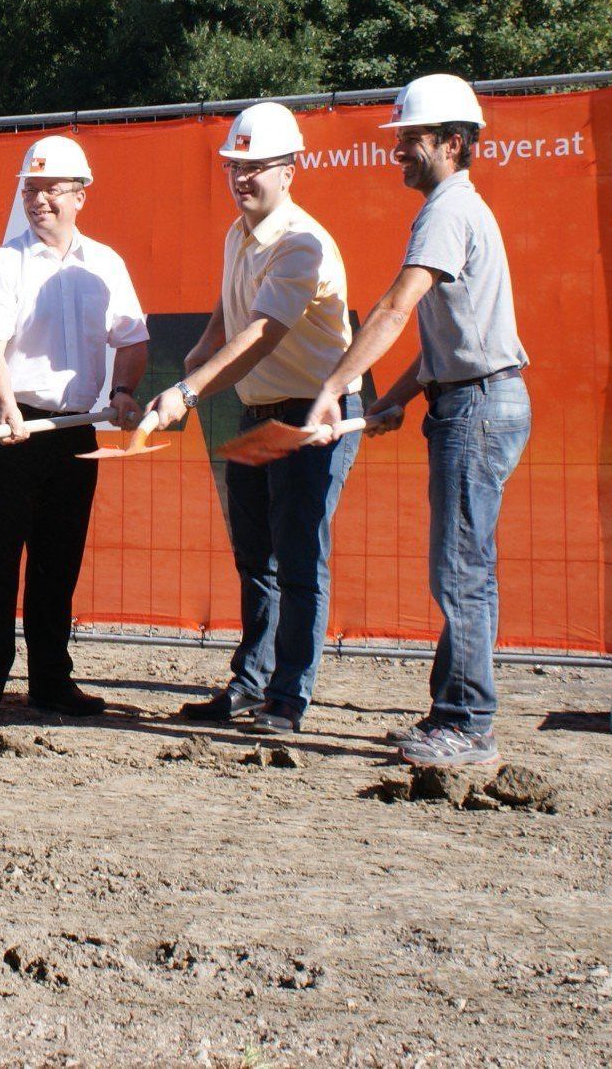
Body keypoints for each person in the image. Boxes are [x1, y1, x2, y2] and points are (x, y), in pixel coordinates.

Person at [305, 73, 530, 768]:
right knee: (467, 569)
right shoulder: (456, 209)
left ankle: (467, 725)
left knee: (459, 571)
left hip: (478, 408)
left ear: (454, 144)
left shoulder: (447, 212)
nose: (399, 149)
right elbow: (448, 340)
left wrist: (335, 386)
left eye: (413, 139)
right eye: (401, 137)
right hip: (470, 398)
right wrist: (394, 395)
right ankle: (456, 713)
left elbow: (398, 306)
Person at [147, 103, 361, 736]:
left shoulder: (302, 245)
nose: (242, 177)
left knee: (297, 558)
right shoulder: (237, 235)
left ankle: (289, 697)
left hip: (307, 418)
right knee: (254, 556)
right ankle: (249, 684)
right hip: (253, 412)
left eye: (256, 166)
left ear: (290, 169)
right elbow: (232, 308)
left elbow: (265, 331)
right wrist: (200, 349)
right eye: (235, 166)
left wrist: (186, 391)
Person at [0, 136, 149, 728]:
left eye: (51, 190)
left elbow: (133, 338)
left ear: (80, 196)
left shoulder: (106, 264)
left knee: (58, 562)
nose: (38, 200)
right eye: (30, 189)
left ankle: (50, 684)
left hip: (74, 433)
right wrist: (9, 406)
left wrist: (122, 393)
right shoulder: (3, 264)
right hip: (7, 428)